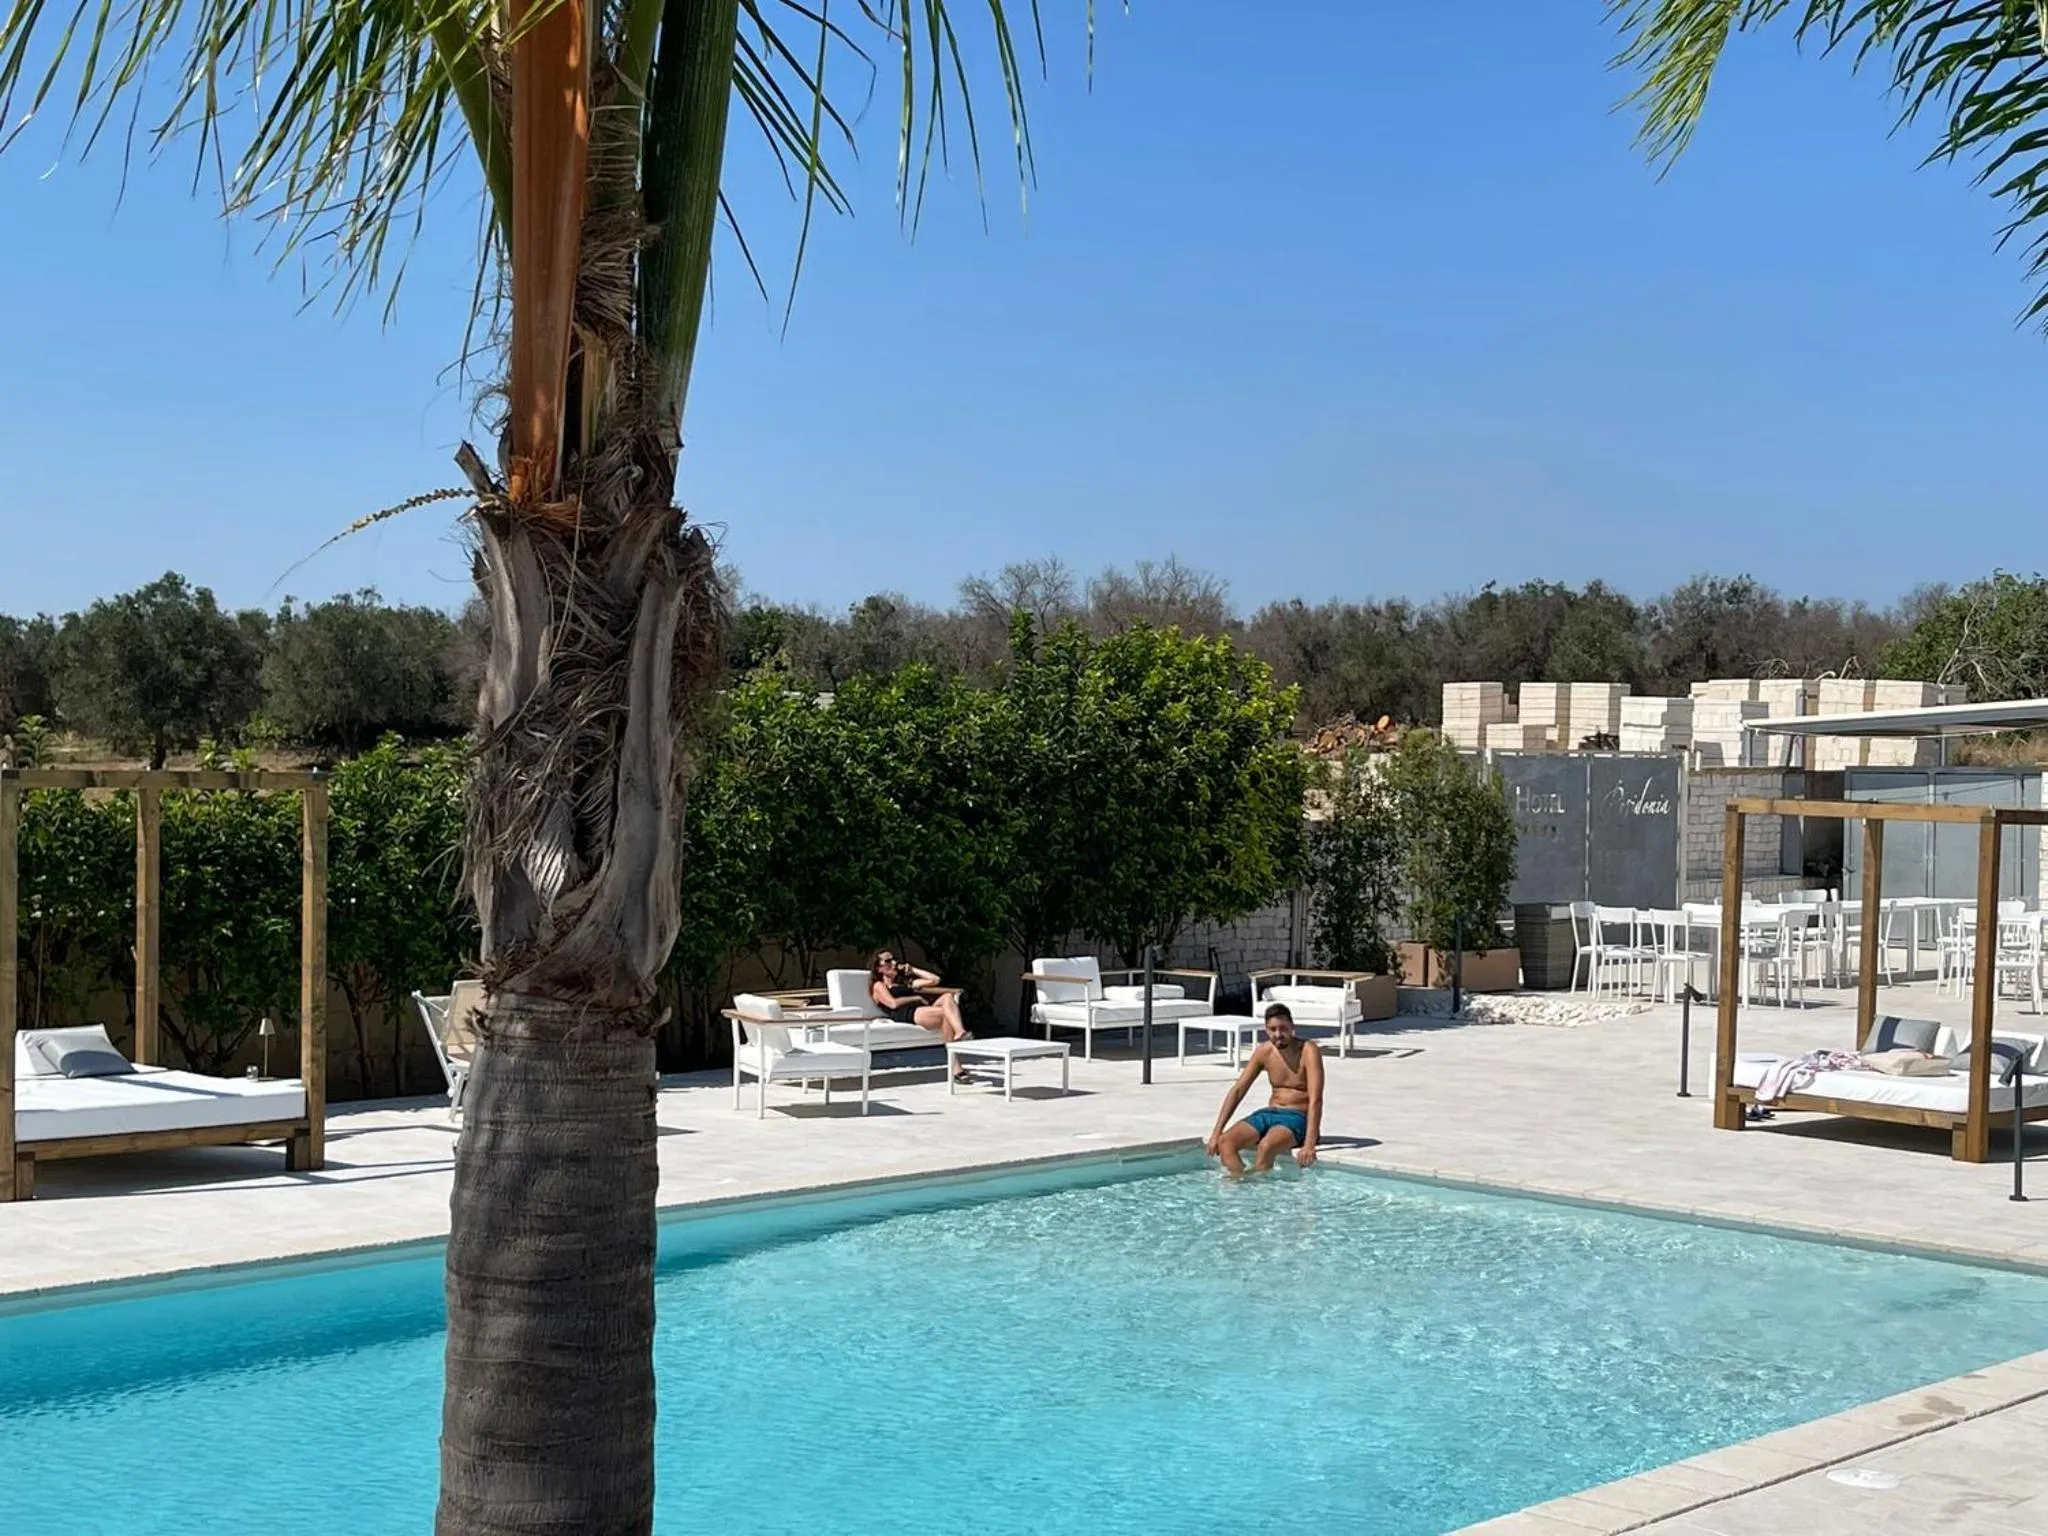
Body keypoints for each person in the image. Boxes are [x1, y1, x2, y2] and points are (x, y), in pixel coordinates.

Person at [1205, 1003, 1324, 1174]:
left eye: (1283, 1028)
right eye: (1272, 1029)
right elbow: (1238, 1089)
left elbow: (1316, 1099)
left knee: (1266, 1147)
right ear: (1266, 1030)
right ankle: (1240, 1183)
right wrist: (1216, 1132)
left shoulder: (1308, 1050)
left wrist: (1309, 1144)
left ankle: (1260, 1192)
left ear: (1292, 1027)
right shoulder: (1264, 1051)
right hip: (1270, 1113)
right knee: (1225, 1143)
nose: (1278, 1034)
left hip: (1297, 1117)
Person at [869, 950, 974, 1079]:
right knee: (945, 1014)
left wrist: (912, 969)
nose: (894, 963)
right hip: (906, 1013)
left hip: (921, 1010)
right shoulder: (879, 985)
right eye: (888, 961)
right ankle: (956, 1066)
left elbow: (935, 980)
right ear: (878, 968)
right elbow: (893, 1004)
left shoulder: (905, 982)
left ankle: (960, 1032)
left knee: (947, 997)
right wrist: (915, 998)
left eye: (894, 959)